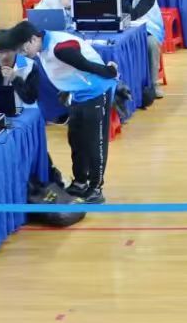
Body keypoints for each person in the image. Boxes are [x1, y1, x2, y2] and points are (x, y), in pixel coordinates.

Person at [30, 15, 121, 201]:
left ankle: (96, 188)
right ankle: (80, 182)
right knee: (76, 139)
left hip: (96, 91)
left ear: (34, 39)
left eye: (24, 47)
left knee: (95, 142)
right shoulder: (41, 47)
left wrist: (110, 72)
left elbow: (86, 65)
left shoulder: (60, 47)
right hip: (78, 94)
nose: (23, 52)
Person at [114, 0, 165, 105]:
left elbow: (134, 15)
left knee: (151, 44)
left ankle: (154, 84)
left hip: (149, 28)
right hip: (127, 28)